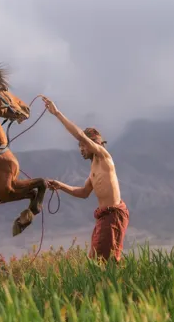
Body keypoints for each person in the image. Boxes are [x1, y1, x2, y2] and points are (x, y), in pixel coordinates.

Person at [41, 95, 129, 263]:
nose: (81, 149)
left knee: (102, 262)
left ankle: (113, 288)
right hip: (104, 217)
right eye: (79, 147)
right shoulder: (93, 169)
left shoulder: (103, 157)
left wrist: (57, 113)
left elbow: (80, 135)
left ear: (92, 144)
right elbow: (83, 193)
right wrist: (60, 185)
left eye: (83, 146)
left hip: (113, 215)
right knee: (98, 260)